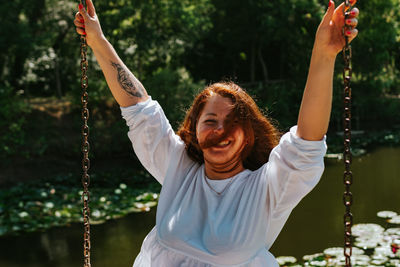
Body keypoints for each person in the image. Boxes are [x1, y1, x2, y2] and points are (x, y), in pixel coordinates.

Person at [74, 0, 359, 266]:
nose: (220, 130)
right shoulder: (179, 169)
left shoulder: (267, 187)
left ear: (249, 136)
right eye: (210, 121)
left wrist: (323, 54)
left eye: (233, 121)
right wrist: (98, 41)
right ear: (194, 130)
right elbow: (139, 107)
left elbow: (306, 144)